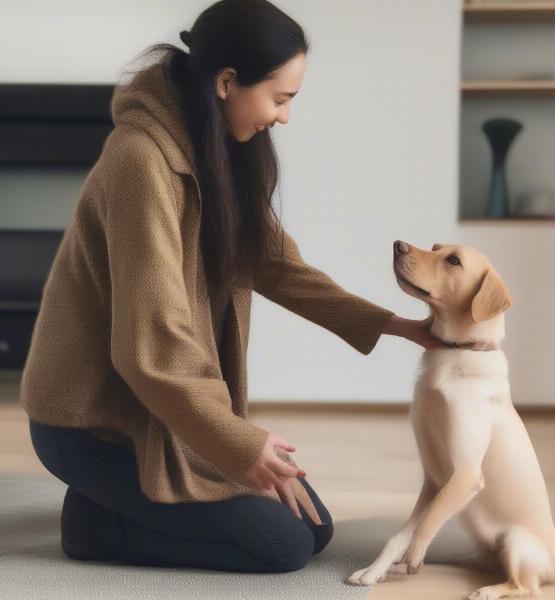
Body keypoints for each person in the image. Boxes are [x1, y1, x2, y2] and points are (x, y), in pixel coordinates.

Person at [20, 0, 445, 574]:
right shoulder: (141, 162)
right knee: (282, 547)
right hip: (95, 422)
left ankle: (116, 505)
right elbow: (149, 344)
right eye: (280, 98)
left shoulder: (222, 148)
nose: (285, 116)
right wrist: (241, 445)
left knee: (313, 530)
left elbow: (274, 264)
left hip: (153, 408)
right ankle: (93, 523)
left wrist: (393, 325)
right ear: (226, 83)